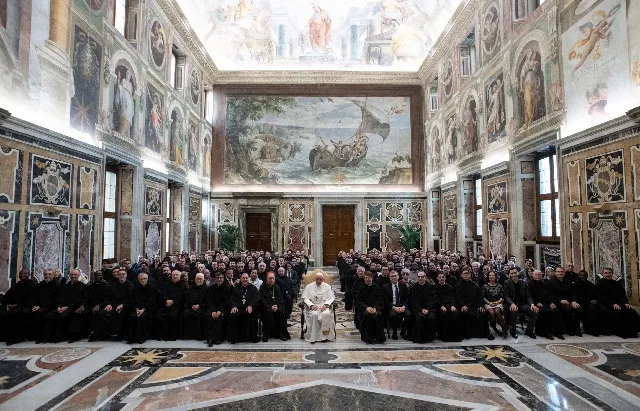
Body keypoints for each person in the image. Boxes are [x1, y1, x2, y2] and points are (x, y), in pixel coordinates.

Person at [597, 268, 640, 338]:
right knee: (617, 312)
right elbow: (601, 297)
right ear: (603, 274)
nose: (608, 274)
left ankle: (632, 332)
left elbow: (623, 295)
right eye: (606, 273)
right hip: (607, 304)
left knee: (631, 311)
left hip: (619, 303)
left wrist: (626, 303)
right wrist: (612, 304)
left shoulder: (616, 284)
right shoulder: (600, 284)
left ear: (612, 273)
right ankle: (622, 332)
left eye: (609, 273)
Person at [45, 269, 86, 343]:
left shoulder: (83, 286)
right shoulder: (65, 286)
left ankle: (63, 336)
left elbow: (82, 300)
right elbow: (59, 298)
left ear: (79, 275)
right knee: (50, 315)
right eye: (72, 275)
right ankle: (48, 336)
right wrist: (58, 307)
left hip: (74, 307)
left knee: (63, 316)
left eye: (75, 275)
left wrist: (67, 307)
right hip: (62, 307)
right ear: (69, 275)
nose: (73, 276)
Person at [91, 269, 133, 341]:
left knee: (119, 313)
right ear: (118, 275)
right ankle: (103, 334)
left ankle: (118, 334)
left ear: (126, 275)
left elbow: (130, 299)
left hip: (125, 306)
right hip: (113, 305)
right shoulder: (113, 285)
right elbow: (109, 296)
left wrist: (122, 304)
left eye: (123, 274)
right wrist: (109, 304)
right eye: (120, 274)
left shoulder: (131, 286)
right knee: (101, 313)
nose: (121, 276)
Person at [77, 271, 113, 343]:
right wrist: (82, 305)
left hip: (102, 305)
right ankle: (78, 334)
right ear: (93, 276)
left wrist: (99, 305)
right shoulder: (89, 286)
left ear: (102, 276)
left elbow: (108, 299)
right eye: (96, 275)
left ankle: (95, 333)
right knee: (79, 312)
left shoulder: (107, 286)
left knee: (97, 313)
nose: (97, 277)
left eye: (99, 275)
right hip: (90, 305)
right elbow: (85, 298)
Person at [456, 268, 492, 340]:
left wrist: (481, 306)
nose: (466, 275)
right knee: (464, 313)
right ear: (461, 275)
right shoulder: (458, 285)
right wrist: (462, 305)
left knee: (483, 313)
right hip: (463, 306)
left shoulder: (475, 285)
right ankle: (467, 334)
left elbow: (480, 297)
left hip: (475, 306)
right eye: (464, 273)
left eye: (467, 273)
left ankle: (480, 334)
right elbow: (457, 297)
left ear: (470, 275)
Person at [1, 269, 35, 345]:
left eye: (25, 273)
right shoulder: (16, 286)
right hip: (13, 306)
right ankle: (4, 337)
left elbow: (31, 300)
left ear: (29, 275)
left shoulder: (32, 285)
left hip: (25, 306)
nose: (22, 275)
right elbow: (6, 297)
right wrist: (7, 305)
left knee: (16, 313)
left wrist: (17, 305)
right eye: (21, 273)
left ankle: (17, 338)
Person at [529, 270, 564, 340]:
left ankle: (556, 332)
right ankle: (544, 332)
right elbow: (529, 296)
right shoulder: (529, 284)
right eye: (536, 275)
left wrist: (552, 302)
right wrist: (536, 303)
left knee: (556, 310)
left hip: (546, 303)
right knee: (544, 312)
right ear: (532, 276)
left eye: (539, 275)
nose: (538, 276)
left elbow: (550, 295)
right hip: (536, 304)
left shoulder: (545, 284)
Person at [503, 268, 538, 339]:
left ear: (518, 273)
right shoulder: (507, 282)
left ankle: (529, 331)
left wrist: (532, 305)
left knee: (535, 311)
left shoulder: (524, 283)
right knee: (513, 310)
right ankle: (513, 330)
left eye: (515, 273)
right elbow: (506, 296)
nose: (514, 275)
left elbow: (528, 296)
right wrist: (512, 303)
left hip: (522, 304)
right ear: (510, 274)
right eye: (512, 273)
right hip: (510, 303)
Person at [301, 273, 336, 343]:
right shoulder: (309, 286)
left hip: (324, 306)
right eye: (317, 279)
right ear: (315, 279)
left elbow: (331, 297)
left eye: (320, 279)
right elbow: (305, 298)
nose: (319, 281)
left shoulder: (327, 287)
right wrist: (311, 305)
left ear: (323, 279)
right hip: (313, 307)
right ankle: (313, 337)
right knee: (314, 315)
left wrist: (326, 305)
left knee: (326, 314)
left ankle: (325, 336)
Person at [548, 266, 582, 336]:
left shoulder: (568, 281)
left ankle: (577, 329)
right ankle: (569, 329)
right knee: (568, 309)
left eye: (562, 272)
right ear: (555, 273)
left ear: (564, 273)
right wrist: (560, 300)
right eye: (558, 272)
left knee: (578, 308)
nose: (560, 273)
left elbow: (573, 293)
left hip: (569, 301)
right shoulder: (550, 282)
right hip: (557, 301)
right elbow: (550, 294)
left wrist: (574, 301)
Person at [228, 272, 260, 343]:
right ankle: (235, 338)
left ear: (248, 278)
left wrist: (251, 306)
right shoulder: (236, 288)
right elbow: (232, 299)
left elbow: (257, 300)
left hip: (249, 308)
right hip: (238, 308)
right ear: (241, 279)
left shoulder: (253, 288)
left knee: (251, 314)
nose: (245, 279)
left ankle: (250, 337)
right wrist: (233, 306)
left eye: (246, 278)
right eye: (243, 278)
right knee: (234, 314)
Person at [259, 272, 291, 342]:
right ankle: (266, 334)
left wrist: (276, 305)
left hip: (276, 306)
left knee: (281, 311)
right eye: (270, 278)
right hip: (266, 307)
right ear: (266, 279)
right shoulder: (262, 288)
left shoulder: (276, 287)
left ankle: (281, 334)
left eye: (273, 278)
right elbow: (262, 300)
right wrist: (271, 306)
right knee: (268, 312)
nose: (272, 280)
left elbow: (280, 298)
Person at [573, 270, 606, 336]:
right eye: (581, 275)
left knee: (595, 309)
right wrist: (574, 301)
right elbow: (573, 294)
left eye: (584, 275)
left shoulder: (590, 284)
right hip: (578, 302)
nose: (582, 276)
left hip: (588, 303)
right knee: (578, 309)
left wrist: (595, 300)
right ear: (578, 276)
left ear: (587, 276)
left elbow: (596, 294)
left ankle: (593, 330)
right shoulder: (575, 284)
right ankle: (577, 329)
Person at [31, 269, 60, 343]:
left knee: (45, 314)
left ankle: (46, 338)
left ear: (53, 275)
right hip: (40, 307)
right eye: (45, 274)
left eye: (49, 274)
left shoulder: (57, 285)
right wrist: (34, 305)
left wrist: (40, 306)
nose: (47, 276)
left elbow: (56, 299)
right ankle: (39, 337)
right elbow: (34, 297)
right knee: (37, 312)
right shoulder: (39, 285)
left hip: (53, 307)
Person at [127, 273, 157, 344]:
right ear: (138, 280)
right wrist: (137, 309)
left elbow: (152, 301)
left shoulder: (152, 288)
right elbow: (132, 300)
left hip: (148, 309)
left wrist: (143, 309)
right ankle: (131, 338)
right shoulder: (135, 288)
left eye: (144, 279)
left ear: (147, 279)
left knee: (142, 317)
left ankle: (141, 337)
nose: (143, 280)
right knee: (132, 316)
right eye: (141, 279)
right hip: (137, 309)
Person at [356, 272, 386, 344]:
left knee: (378, 314)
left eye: (368, 278)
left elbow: (380, 299)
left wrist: (375, 308)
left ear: (372, 278)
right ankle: (368, 337)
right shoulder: (361, 288)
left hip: (376, 308)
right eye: (365, 278)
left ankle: (378, 337)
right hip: (364, 308)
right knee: (367, 315)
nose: (367, 279)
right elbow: (359, 301)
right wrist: (367, 307)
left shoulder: (377, 287)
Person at [157, 270, 187, 341]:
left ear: (180, 276)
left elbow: (183, 297)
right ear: (171, 276)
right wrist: (166, 301)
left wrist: (173, 301)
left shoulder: (183, 285)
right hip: (166, 304)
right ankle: (162, 335)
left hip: (177, 305)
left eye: (177, 275)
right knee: (159, 314)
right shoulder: (167, 284)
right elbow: (163, 295)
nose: (175, 276)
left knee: (172, 315)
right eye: (173, 275)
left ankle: (172, 336)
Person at [408, 271, 437, 343]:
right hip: (417, 309)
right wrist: (422, 309)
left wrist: (428, 309)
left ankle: (430, 337)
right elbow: (413, 301)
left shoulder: (431, 287)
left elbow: (433, 300)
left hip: (430, 308)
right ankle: (421, 338)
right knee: (421, 317)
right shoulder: (413, 287)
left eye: (422, 277)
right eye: (419, 277)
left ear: (425, 277)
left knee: (431, 317)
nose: (420, 278)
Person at [205, 272, 231, 346]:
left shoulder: (227, 288)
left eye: (221, 278)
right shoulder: (210, 288)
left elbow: (226, 302)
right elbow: (209, 301)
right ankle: (210, 338)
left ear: (223, 278)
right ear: (215, 279)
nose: (219, 279)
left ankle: (219, 338)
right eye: (217, 278)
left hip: (223, 309)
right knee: (209, 316)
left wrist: (219, 311)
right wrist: (213, 311)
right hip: (212, 308)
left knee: (220, 317)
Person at [382, 270, 410, 340]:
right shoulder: (385, 287)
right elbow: (386, 301)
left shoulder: (403, 286)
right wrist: (394, 307)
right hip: (392, 306)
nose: (394, 277)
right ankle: (394, 332)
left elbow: (407, 298)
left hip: (402, 306)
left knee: (409, 315)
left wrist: (403, 306)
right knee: (393, 315)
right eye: (392, 276)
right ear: (389, 278)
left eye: (395, 276)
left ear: (398, 276)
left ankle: (403, 332)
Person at [434, 273, 462, 342]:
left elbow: (453, 297)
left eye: (443, 277)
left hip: (450, 305)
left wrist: (453, 305)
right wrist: (441, 306)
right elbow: (436, 299)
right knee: (444, 314)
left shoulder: (449, 287)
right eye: (440, 277)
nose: (441, 278)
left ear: (445, 278)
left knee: (456, 313)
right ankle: (444, 337)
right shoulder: (434, 287)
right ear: (437, 278)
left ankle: (455, 337)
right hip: (439, 306)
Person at [182, 273, 207, 340]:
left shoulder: (207, 289)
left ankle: (199, 336)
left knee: (200, 315)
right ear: (195, 279)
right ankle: (188, 336)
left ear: (203, 280)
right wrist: (192, 306)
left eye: (200, 279)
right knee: (185, 314)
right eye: (197, 279)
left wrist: (199, 306)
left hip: (202, 307)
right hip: (191, 307)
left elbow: (207, 301)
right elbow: (187, 299)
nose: (199, 280)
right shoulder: (191, 288)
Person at [482, 271, 507, 338]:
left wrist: (496, 303)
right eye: (490, 275)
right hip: (488, 303)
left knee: (497, 311)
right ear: (488, 277)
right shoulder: (485, 286)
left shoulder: (499, 286)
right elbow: (483, 297)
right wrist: (489, 303)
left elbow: (502, 297)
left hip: (498, 302)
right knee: (492, 313)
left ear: (495, 277)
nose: (491, 277)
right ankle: (495, 329)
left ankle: (504, 329)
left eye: (493, 275)